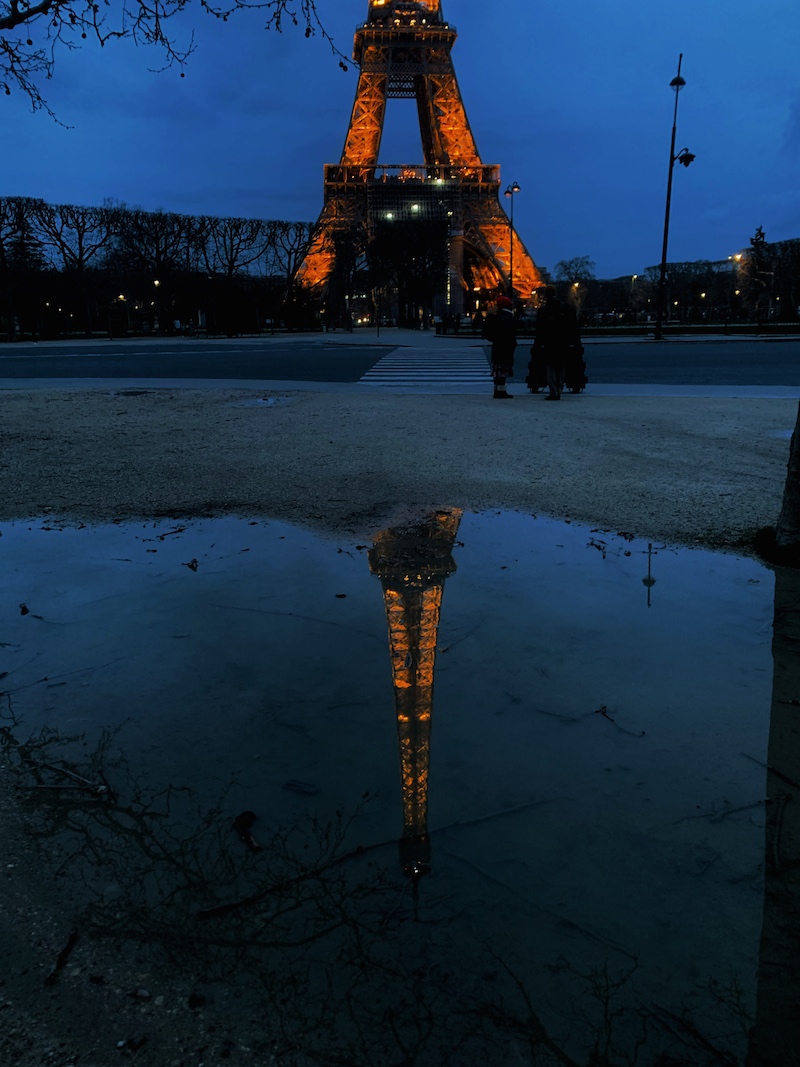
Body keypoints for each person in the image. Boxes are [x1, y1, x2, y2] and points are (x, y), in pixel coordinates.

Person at [529, 285, 583, 400]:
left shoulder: (544, 310)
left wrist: (538, 344)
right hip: (563, 341)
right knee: (562, 366)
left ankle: (553, 391)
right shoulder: (565, 307)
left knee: (551, 367)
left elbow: (539, 329)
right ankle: (559, 388)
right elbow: (573, 326)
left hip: (550, 342)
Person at [483, 294, 517, 399]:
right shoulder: (507, 317)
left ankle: (497, 390)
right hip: (505, 346)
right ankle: (501, 391)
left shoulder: (497, 316)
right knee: (503, 370)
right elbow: (509, 333)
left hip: (497, 346)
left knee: (498, 370)